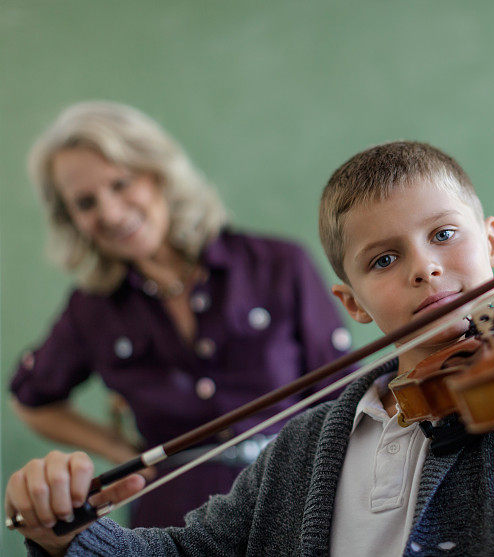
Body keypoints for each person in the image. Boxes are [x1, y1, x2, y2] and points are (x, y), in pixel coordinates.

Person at [6, 141, 494, 556]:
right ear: (353, 304)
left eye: (445, 234)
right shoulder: (311, 442)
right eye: (386, 258)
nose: (425, 268)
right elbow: (187, 554)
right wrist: (67, 536)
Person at [7, 102, 351, 529]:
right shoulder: (89, 310)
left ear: (158, 174)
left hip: (298, 501)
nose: (111, 214)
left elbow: (343, 394)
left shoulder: (278, 264)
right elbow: (31, 399)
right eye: (85, 203)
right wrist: (120, 451)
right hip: (173, 525)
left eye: (120, 183)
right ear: (72, 219)